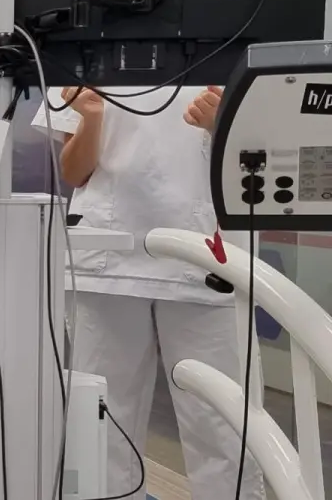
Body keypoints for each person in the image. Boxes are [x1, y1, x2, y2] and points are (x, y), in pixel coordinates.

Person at [33, 85, 264, 500]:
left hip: (208, 260)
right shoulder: (84, 53)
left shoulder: (236, 49)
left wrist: (225, 127)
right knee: (104, 426)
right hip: (108, 259)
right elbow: (73, 172)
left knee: (222, 426)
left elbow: (267, 159)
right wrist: (92, 118)